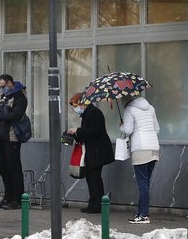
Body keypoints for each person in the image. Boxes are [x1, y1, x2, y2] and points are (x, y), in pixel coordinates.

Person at [67, 92, 114, 213]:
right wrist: (75, 134)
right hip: (93, 151)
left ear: (82, 103)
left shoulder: (94, 113)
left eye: (76, 105)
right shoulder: (88, 113)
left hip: (98, 151)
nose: (76, 109)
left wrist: (77, 130)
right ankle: (93, 203)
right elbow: (86, 135)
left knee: (94, 178)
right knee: (91, 178)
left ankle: (97, 205)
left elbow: (93, 132)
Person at [0, 74, 27, 210]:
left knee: (13, 168)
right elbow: (3, 113)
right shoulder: (5, 97)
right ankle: (8, 196)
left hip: (12, 138)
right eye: (0, 87)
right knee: (3, 168)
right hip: (1, 137)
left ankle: (17, 199)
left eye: (3, 87)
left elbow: (15, 115)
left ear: (10, 83)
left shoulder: (19, 97)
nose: (2, 89)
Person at [120, 95, 160, 224]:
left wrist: (121, 126)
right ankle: (140, 213)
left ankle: (143, 215)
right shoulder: (151, 108)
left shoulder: (129, 109)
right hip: (154, 147)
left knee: (142, 183)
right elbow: (157, 129)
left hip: (140, 148)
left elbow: (128, 130)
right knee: (146, 182)